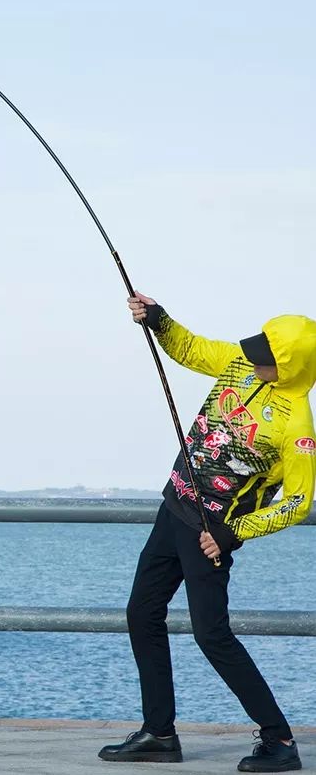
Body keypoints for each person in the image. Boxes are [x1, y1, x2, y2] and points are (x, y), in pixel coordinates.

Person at [98, 294, 316, 772]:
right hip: (174, 506)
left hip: (209, 535)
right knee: (142, 613)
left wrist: (232, 532)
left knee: (211, 634)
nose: (253, 359)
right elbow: (192, 349)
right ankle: (159, 732)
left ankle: (279, 741)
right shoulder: (240, 361)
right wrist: (159, 320)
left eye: (266, 358)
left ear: (291, 367)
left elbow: (299, 502)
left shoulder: (297, 429)